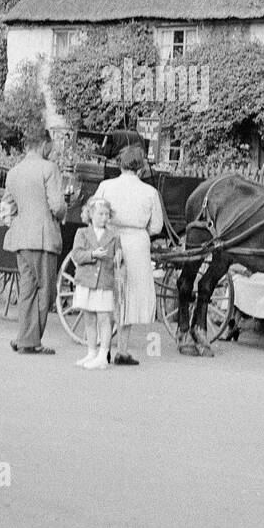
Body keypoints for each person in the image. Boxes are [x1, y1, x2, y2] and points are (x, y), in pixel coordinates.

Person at [94, 144, 164, 365]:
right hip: (136, 243)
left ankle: (101, 345)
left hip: (110, 239)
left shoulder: (106, 186)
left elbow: (93, 212)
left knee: (107, 292)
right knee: (129, 295)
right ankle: (122, 350)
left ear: (120, 164)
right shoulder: (150, 192)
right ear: (141, 167)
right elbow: (156, 227)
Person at [0, 129, 66, 355]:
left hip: (21, 238)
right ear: (44, 145)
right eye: (51, 146)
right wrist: (67, 207)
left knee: (27, 290)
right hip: (43, 237)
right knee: (45, 292)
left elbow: (7, 205)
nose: (52, 150)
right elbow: (56, 206)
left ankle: (23, 337)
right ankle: (31, 342)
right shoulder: (49, 169)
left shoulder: (14, 172)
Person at [67, 196, 123, 370]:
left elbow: (118, 256)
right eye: (100, 214)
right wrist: (92, 255)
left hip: (104, 283)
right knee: (89, 317)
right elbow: (76, 255)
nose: (104, 217)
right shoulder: (82, 233)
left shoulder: (114, 236)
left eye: (107, 214)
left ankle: (103, 354)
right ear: (90, 215)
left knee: (104, 318)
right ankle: (91, 352)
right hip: (86, 281)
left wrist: (119, 257)